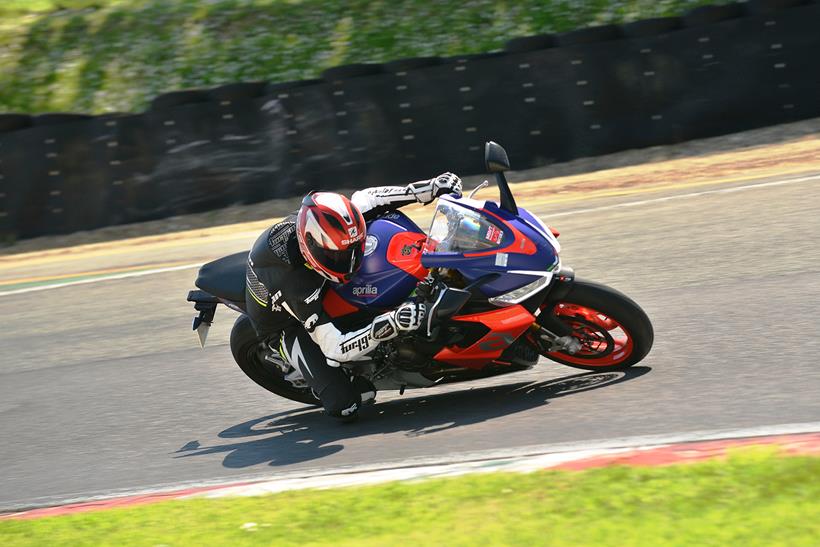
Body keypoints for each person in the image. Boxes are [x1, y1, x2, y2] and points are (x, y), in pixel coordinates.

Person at [245, 173, 462, 421]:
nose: (350, 264)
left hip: (317, 283)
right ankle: (289, 356)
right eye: (338, 258)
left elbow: (367, 199)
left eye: (353, 251)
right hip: (285, 323)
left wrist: (428, 189)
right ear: (311, 248)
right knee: (346, 405)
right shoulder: (295, 284)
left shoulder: (327, 224)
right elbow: (335, 347)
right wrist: (390, 324)